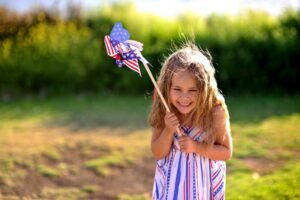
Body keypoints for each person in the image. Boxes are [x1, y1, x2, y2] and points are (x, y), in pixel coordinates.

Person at [149, 43, 233, 200]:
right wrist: (168, 130)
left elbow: (226, 152)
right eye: (177, 89)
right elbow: (157, 152)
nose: (184, 97)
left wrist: (196, 147)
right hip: (170, 190)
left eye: (193, 90)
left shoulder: (215, 112)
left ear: (205, 88)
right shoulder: (164, 109)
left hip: (203, 189)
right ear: (167, 87)